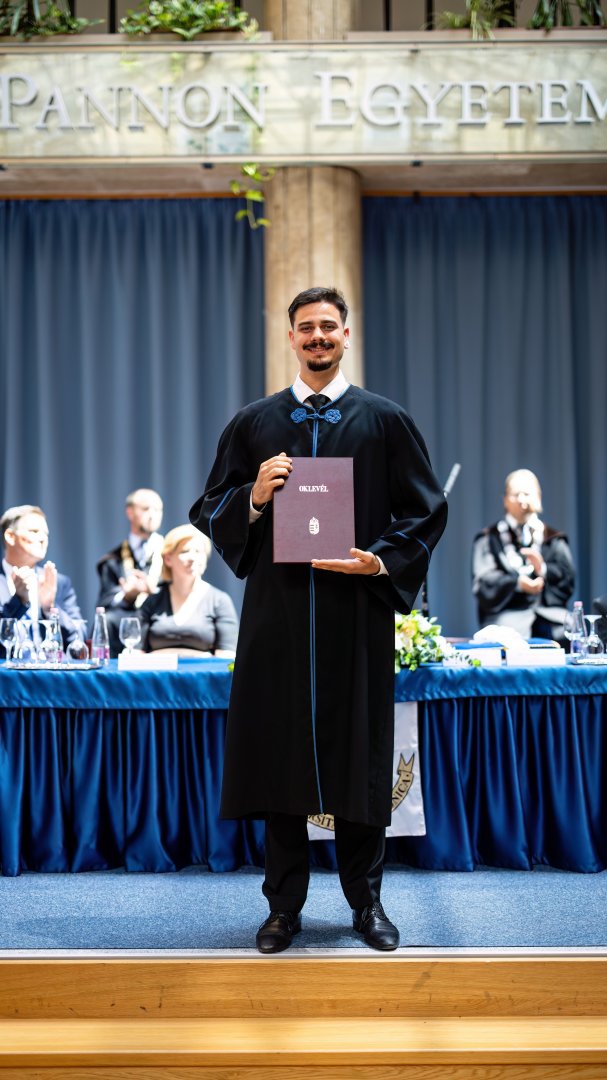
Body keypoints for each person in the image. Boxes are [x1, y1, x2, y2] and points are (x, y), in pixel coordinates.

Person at [190, 286, 447, 954]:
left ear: (345, 334)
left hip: (353, 615)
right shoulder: (254, 423)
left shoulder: (384, 420)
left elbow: (426, 509)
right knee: (280, 764)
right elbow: (208, 506)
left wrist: (380, 561)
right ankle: (283, 909)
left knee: (360, 761)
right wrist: (252, 496)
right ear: (290, 338)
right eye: (305, 327)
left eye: (328, 326)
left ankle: (367, 904)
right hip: (277, 620)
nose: (317, 337)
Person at [472, 468, 575, 642]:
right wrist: (517, 584)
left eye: (527, 494)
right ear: (505, 500)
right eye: (515, 494)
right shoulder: (489, 539)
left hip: (551, 617)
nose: (521, 500)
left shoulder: (553, 539)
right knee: (505, 640)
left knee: (572, 632)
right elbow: (484, 582)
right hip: (508, 617)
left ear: (538, 497)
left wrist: (542, 569)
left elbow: (568, 581)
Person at [138, 524, 238, 657]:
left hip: (204, 671)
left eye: (198, 552)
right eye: (185, 551)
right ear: (168, 559)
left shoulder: (219, 601)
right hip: (158, 671)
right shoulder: (152, 601)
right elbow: (136, 652)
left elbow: (227, 656)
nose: (193, 558)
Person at [0, 504, 83, 652]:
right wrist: (18, 602)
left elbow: (78, 639)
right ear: (10, 537)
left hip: (48, 666)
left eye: (46, 534)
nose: (43, 539)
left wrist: (50, 608)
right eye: (34, 531)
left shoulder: (59, 582)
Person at [96, 488, 164, 656]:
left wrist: (154, 591)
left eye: (157, 510)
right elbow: (105, 603)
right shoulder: (113, 560)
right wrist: (127, 595)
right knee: (106, 621)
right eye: (146, 509)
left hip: (162, 616)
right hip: (125, 619)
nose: (152, 515)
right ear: (130, 512)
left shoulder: (169, 554)